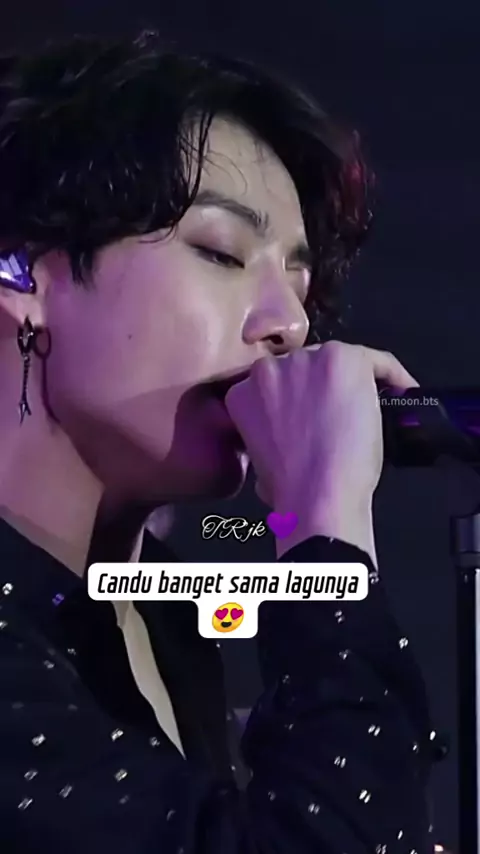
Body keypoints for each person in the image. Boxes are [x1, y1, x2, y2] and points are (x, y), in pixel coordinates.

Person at [0, 29, 441, 853]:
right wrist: (324, 524)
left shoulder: (169, 618)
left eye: (300, 283)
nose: (290, 324)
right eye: (221, 252)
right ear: (21, 271)